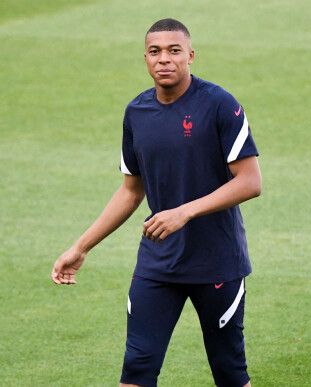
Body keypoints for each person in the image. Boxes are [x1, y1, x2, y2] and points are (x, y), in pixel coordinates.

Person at [51, 18, 261, 387]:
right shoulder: (137, 113)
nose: (164, 59)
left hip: (217, 263)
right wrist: (81, 247)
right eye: (155, 51)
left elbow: (250, 182)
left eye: (174, 50)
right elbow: (131, 190)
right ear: (145, 59)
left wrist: (184, 211)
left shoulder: (219, 105)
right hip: (158, 263)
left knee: (229, 372)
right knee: (137, 368)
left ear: (190, 56)